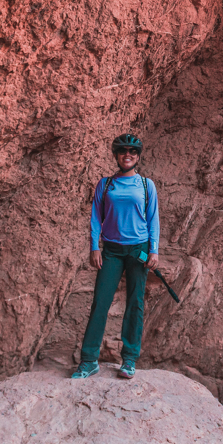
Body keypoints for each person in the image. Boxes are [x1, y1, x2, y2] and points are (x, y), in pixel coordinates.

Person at [72, 133, 160, 380]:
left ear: (138, 156)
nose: (127, 155)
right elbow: (95, 217)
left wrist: (154, 250)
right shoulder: (105, 184)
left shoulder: (146, 185)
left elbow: (153, 219)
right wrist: (94, 247)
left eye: (132, 152)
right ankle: (89, 360)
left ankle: (129, 360)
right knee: (100, 302)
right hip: (111, 250)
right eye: (122, 151)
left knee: (135, 303)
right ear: (116, 156)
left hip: (138, 250)